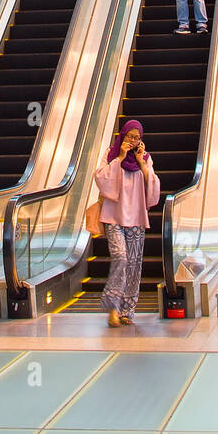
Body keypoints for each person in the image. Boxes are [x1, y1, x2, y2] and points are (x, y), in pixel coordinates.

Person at [94, 119, 160, 327]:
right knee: (121, 258)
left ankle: (127, 311)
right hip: (113, 217)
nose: (132, 141)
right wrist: (120, 157)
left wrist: (141, 163)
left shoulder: (145, 159)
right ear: (122, 136)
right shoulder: (111, 154)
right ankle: (112, 307)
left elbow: (154, 188)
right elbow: (101, 178)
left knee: (133, 265)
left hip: (136, 219)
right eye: (129, 136)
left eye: (136, 138)